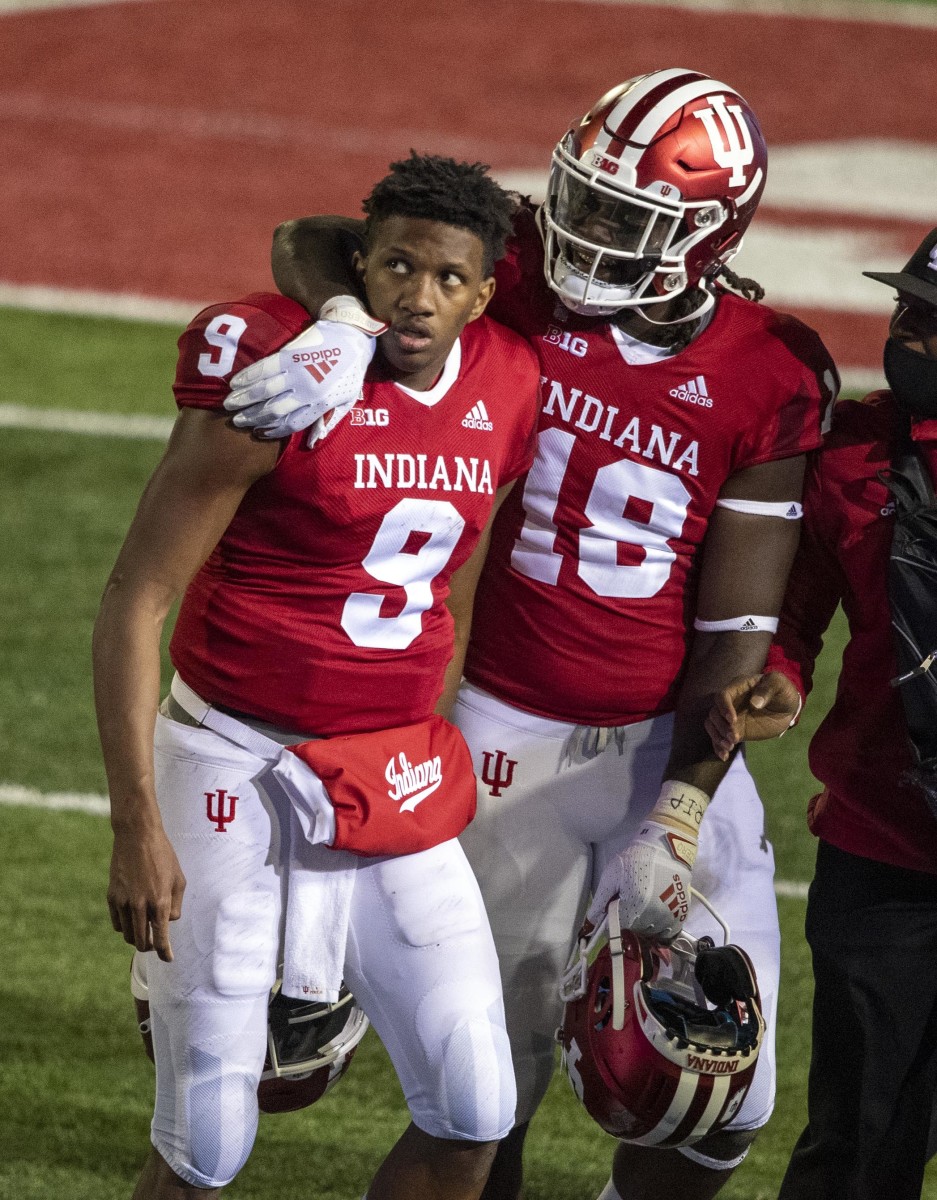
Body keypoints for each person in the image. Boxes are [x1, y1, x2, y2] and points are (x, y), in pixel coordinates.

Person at [225, 69, 838, 1200]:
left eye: (625, 220)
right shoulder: (513, 273)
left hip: (671, 742)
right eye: (582, 200)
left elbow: (738, 624)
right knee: (479, 1097)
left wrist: (684, 804)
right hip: (510, 734)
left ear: (703, 238)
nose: (584, 233)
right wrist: (345, 323)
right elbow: (312, 239)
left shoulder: (771, 366)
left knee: (711, 1097)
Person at [92, 152, 544, 1200]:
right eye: (395, 267)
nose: (415, 297)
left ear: (481, 294)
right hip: (234, 756)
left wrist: (434, 741)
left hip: (386, 769)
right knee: (209, 1133)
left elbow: (458, 585)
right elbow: (135, 595)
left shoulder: (510, 377)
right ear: (362, 263)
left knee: (477, 1102)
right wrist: (135, 824)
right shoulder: (279, 363)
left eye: (444, 280)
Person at [707, 229, 937, 1200]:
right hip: (885, 853)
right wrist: (784, 680)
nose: (909, 338)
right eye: (909, 313)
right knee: (856, 1149)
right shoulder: (850, 452)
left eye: (935, 326)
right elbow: (795, 609)